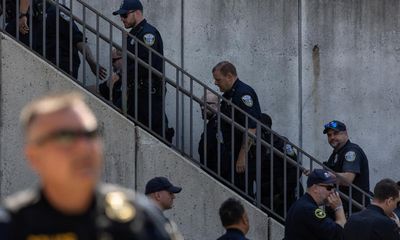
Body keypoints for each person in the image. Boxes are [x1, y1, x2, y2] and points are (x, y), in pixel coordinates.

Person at [0, 92, 179, 239]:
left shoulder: (140, 221)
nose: (84, 148)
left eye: (90, 134)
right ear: (34, 157)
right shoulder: (11, 226)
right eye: (65, 137)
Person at [113, 0, 169, 140]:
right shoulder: (135, 34)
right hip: (137, 93)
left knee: (150, 136)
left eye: (125, 15)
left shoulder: (147, 34)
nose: (122, 19)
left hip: (147, 93)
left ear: (137, 13)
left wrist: (122, 75)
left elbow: (145, 65)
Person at [213, 61, 261, 195]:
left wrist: (242, 156)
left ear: (229, 76)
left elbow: (251, 127)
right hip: (231, 152)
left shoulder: (243, 94)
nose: (215, 83)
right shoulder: (230, 94)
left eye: (218, 79)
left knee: (242, 193)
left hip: (243, 155)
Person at [45, 2, 106, 80]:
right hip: (47, 64)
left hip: (63, 65)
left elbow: (77, 37)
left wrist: (91, 61)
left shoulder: (56, 11)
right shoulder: (36, 12)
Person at [258, 113, 302, 217]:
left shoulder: (279, 142)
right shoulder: (255, 144)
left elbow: (296, 168)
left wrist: (282, 192)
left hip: (285, 194)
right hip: (267, 194)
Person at [323, 120, 370, 214]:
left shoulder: (351, 151)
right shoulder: (336, 153)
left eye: (336, 133)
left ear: (345, 134)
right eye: (329, 135)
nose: (332, 137)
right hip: (341, 208)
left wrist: (322, 175)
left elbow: (347, 179)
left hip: (354, 210)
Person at [284, 169, 346, 240]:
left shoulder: (303, 204)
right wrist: (338, 208)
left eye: (333, 187)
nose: (332, 191)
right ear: (315, 188)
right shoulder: (309, 209)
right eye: (329, 188)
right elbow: (339, 234)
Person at [198, 90, 223, 173]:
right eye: (201, 104)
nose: (202, 107)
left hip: (216, 172)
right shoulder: (213, 123)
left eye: (208, 104)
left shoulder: (220, 124)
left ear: (218, 106)